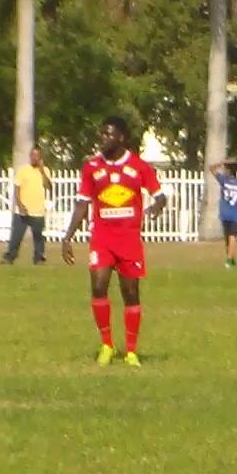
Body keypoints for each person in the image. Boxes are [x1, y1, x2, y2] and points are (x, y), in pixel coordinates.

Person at [61, 117, 167, 368]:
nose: (103, 138)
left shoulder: (139, 167)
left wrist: (156, 207)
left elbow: (160, 196)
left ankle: (131, 351)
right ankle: (107, 344)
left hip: (129, 240)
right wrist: (68, 237)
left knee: (130, 293)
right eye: (102, 134)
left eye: (109, 134)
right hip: (102, 238)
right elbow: (82, 203)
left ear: (121, 138)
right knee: (98, 286)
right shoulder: (92, 167)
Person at [2, 145, 53, 265]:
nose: (35, 158)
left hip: (38, 210)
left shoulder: (45, 171)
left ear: (41, 157)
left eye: (37, 155)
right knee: (16, 236)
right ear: (30, 156)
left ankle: (39, 258)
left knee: (38, 237)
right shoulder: (23, 170)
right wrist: (19, 204)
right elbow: (17, 188)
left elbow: (48, 187)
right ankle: (9, 257)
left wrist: (42, 171)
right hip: (23, 210)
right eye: (33, 155)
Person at [211, 161, 237, 268]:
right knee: (232, 237)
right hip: (235, 214)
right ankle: (230, 259)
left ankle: (230, 258)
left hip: (225, 213)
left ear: (228, 170)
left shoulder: (224, 181)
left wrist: (221, 163)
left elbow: (211, 169)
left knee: (228, 237)